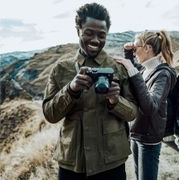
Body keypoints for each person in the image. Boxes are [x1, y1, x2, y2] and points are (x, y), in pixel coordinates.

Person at [42, 3, 137, 180]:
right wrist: (70, 90)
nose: (95, 40)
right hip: (73, 162)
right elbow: (50, 114)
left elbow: (132, 113)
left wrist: (116, 101)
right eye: (88, 33)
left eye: (102, 35)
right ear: (78, 29)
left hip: (111, 163)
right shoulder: (61, 69)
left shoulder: (118, 68)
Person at [117, 30, 177, 180]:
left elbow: (150, 107)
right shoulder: (144, 69)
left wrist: (131, 69)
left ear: (147, 48)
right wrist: (128, 53)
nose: (135, 52)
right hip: (137, 131)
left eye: (136, 48)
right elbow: (134, 68)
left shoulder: (163, 74)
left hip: (150, 136)